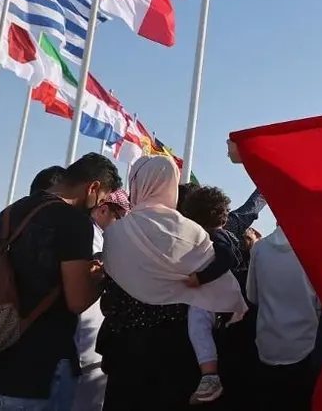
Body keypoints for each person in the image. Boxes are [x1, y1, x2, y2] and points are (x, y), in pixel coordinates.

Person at [98, 156, 247, 410]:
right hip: (177, 353)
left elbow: (109, 297)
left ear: (137, 183)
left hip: (126, 352)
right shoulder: (192, 233)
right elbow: (220, 285)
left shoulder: (116, 233)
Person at [0, 154, 120, 410]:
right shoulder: (75, 223)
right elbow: (77, 300)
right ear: (92, 187)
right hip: (39, 368)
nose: (96, 206)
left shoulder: (9, 213)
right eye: (101, 199)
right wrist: (102, 278)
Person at [246, 225, 321, 410]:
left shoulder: (259, 248)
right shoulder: (314, 249)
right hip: (305, 346)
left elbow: (252, 296)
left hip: (267, 346)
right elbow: (321, 303)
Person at [180, 186, 242, 404]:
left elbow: (226, 259)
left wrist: (200, 278)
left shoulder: (216, 237)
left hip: (216, 300)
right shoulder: (222, 235)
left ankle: (209, 376)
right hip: (224, 303)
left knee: (197, 324)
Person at [72, 190, 130, 411]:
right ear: (104, 209)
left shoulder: (98, 236)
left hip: (88, 345)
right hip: (81, 343)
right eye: (120, 218)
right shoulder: (89, 236)